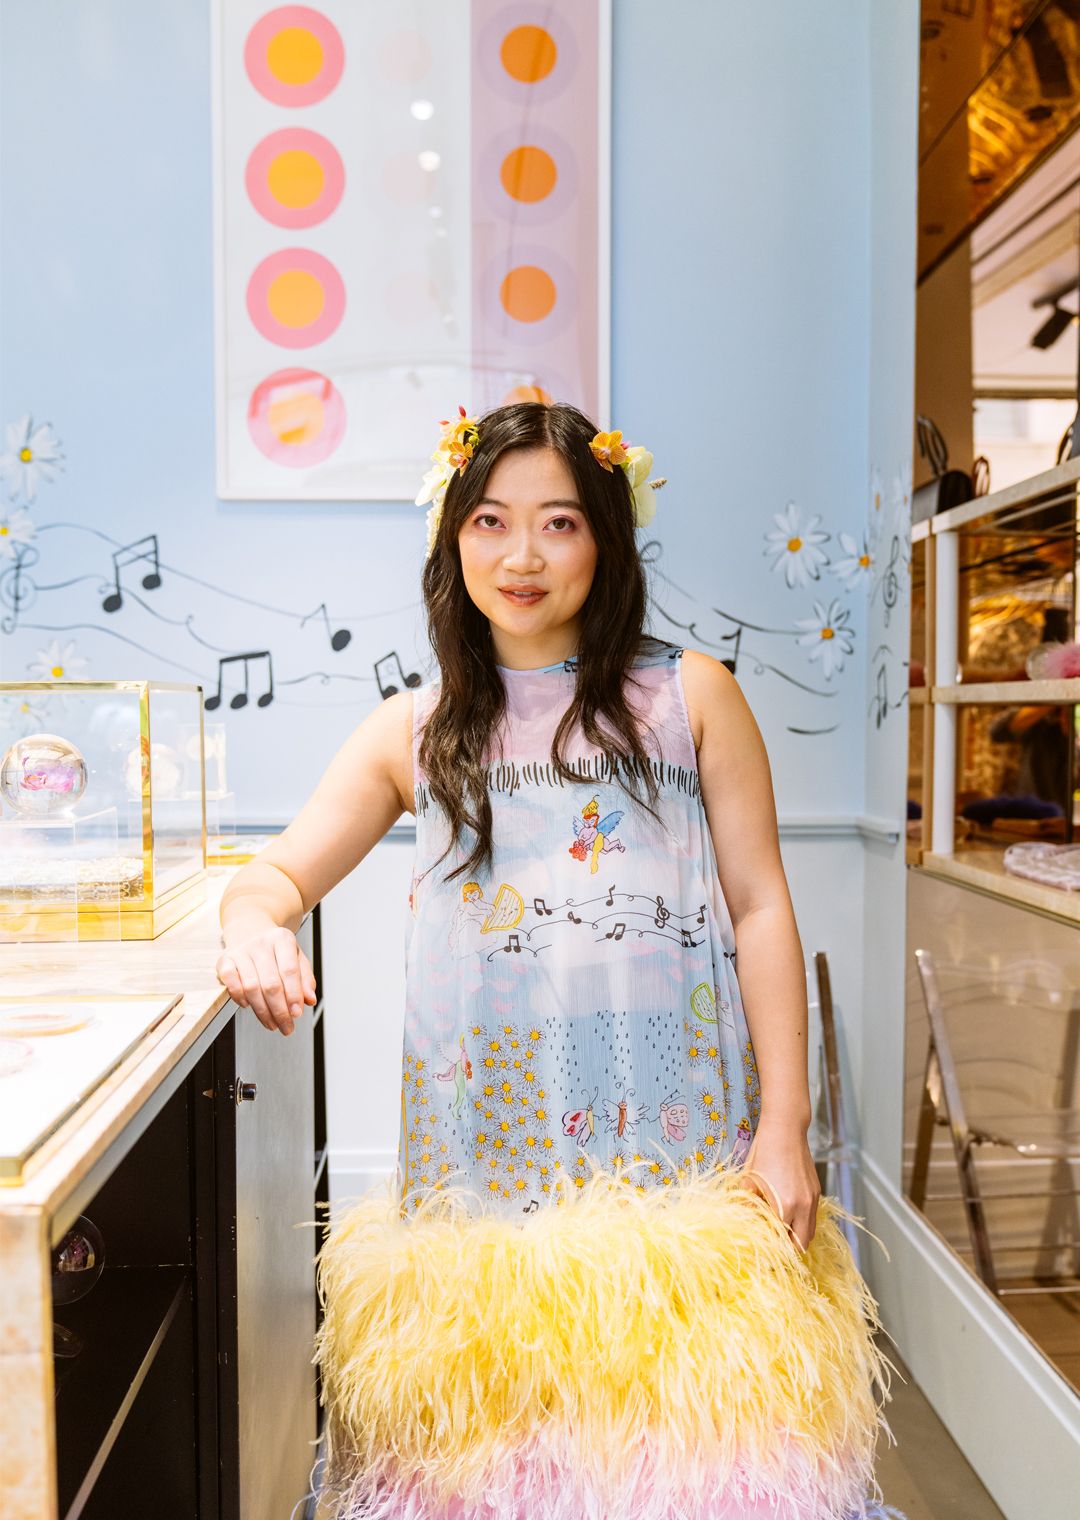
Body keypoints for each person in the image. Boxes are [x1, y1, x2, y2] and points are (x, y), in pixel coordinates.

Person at [216, 402, 899, 1520]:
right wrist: (256, 926)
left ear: (608, 541)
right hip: (490, 1146)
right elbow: (278, 873)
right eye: (489, 520)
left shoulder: (691, 696)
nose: (521, 555)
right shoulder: (414, 728)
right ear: (452, 539)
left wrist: (787, 1124)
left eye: (559, 523)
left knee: (694, 1451)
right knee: (506, 1452)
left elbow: (762, 905)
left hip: (678, 1141)